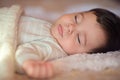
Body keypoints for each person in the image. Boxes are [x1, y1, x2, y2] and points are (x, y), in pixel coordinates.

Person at [15, 8, 120, 79]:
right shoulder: (50, 26)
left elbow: (25, 51)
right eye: (76, 18)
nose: (71, 27)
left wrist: (29, 63)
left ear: (83, 54)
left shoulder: (53, 48)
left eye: (79, 38)